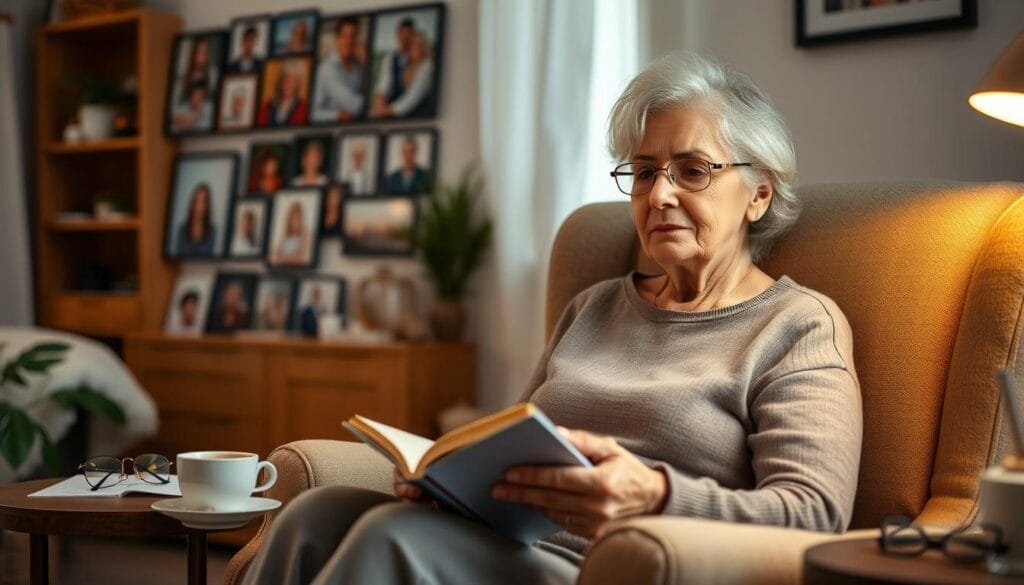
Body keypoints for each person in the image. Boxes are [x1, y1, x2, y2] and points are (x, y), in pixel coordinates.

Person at [242, 52, 862, 585]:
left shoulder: (797, 327)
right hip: (510, 546)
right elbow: (509, 443)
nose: (660, 194)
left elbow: (813, 515)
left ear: (759, 193)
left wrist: (656, 494)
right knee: (314, 515)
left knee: (393, 538)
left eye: (693, 171)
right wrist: (448, 482)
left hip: (613, 570)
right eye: (644, 172)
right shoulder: (593, 307)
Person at [311, 18, 366, 123]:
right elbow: (354, 106)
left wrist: (366, 63)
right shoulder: (327, 69)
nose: (349, 41)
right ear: (337, 39)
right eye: (345, 36)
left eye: (353, 36)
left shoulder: (358, 66)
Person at [371, 30, 434, 119]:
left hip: (419, 117)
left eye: (419, 45)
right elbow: (384, 83)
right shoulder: (407, 65)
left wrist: (385, 111)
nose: (415, 48)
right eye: (412, 44)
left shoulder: (427, 66)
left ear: (424, 47)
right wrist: (379, 104)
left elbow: (412, 98)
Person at [258, 60, 309, 127]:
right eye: (285, 77)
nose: (287, 82)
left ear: (298, 84)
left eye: (292, 79)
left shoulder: (303, 108)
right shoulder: (265, 107)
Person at [176, 183, 217, 256]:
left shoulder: (212, 230)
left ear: (207, 206)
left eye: (203, 202)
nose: (200, 206)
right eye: (197, 201)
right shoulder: (182, 229)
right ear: (193, 203)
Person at [272, 201, 311, 265]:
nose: (295, 222)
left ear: (301, 218)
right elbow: (274, 257)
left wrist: (284, 258)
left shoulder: (306, 234)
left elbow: (303, 258)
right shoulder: (285, 237)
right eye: (293, 218)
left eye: (298, 218)